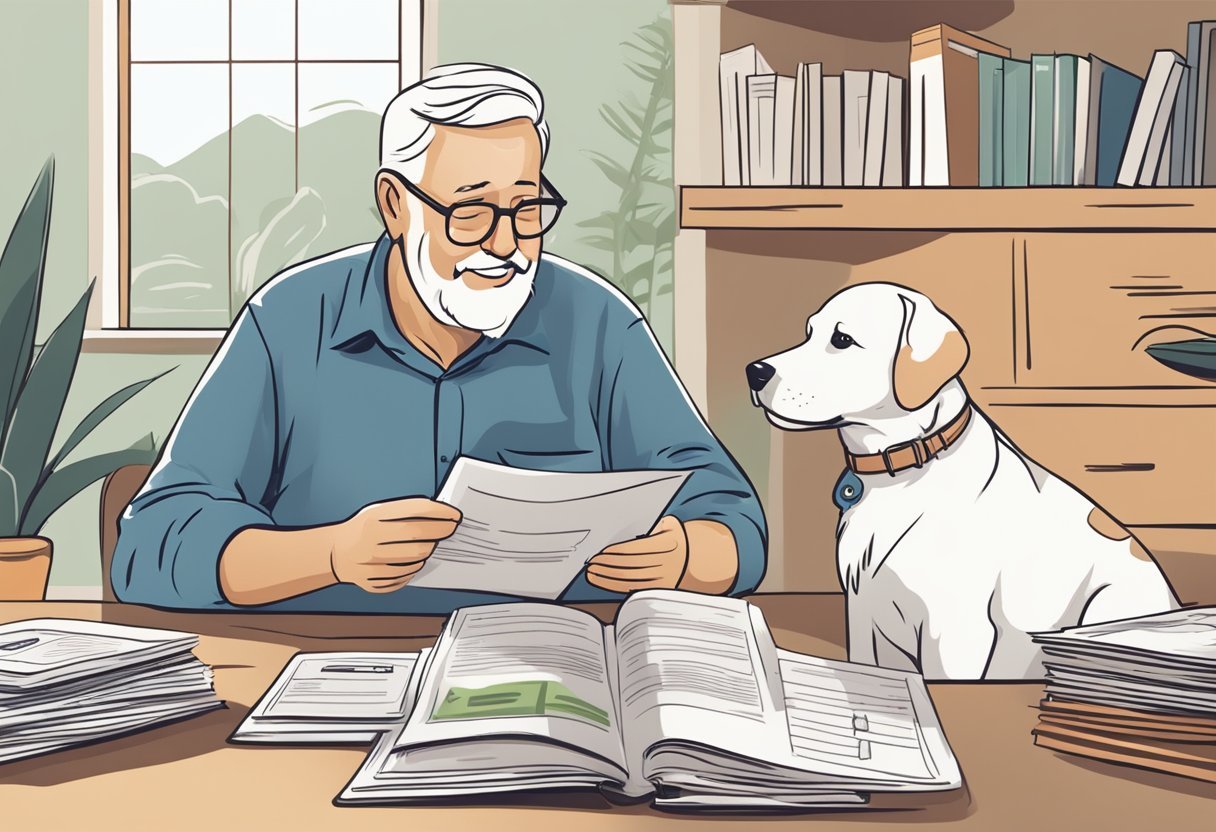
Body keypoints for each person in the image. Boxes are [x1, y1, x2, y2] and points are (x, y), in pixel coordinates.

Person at [112, 63, 766, 612]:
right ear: (396, 205)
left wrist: (685, 555)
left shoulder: (599, 323)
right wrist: (331, 554)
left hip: (556, 682)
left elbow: (735, 522)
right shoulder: (288, 320)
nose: (507, 244)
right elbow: (151, 545)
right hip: (323, 671)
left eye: (527, 208)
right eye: (472, 212)